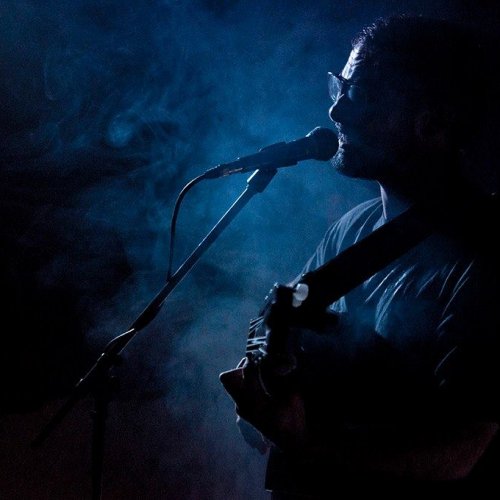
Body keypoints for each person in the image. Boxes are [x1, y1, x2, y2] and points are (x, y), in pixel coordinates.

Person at [219, 14, 500, 499]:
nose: (337, 110)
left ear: (432, 123)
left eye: (363, 94)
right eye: (340, 87)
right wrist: (264, 381)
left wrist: (306, 445)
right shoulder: (352, 229)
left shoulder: (486, 254)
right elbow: (286, 333)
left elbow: (460, 453)